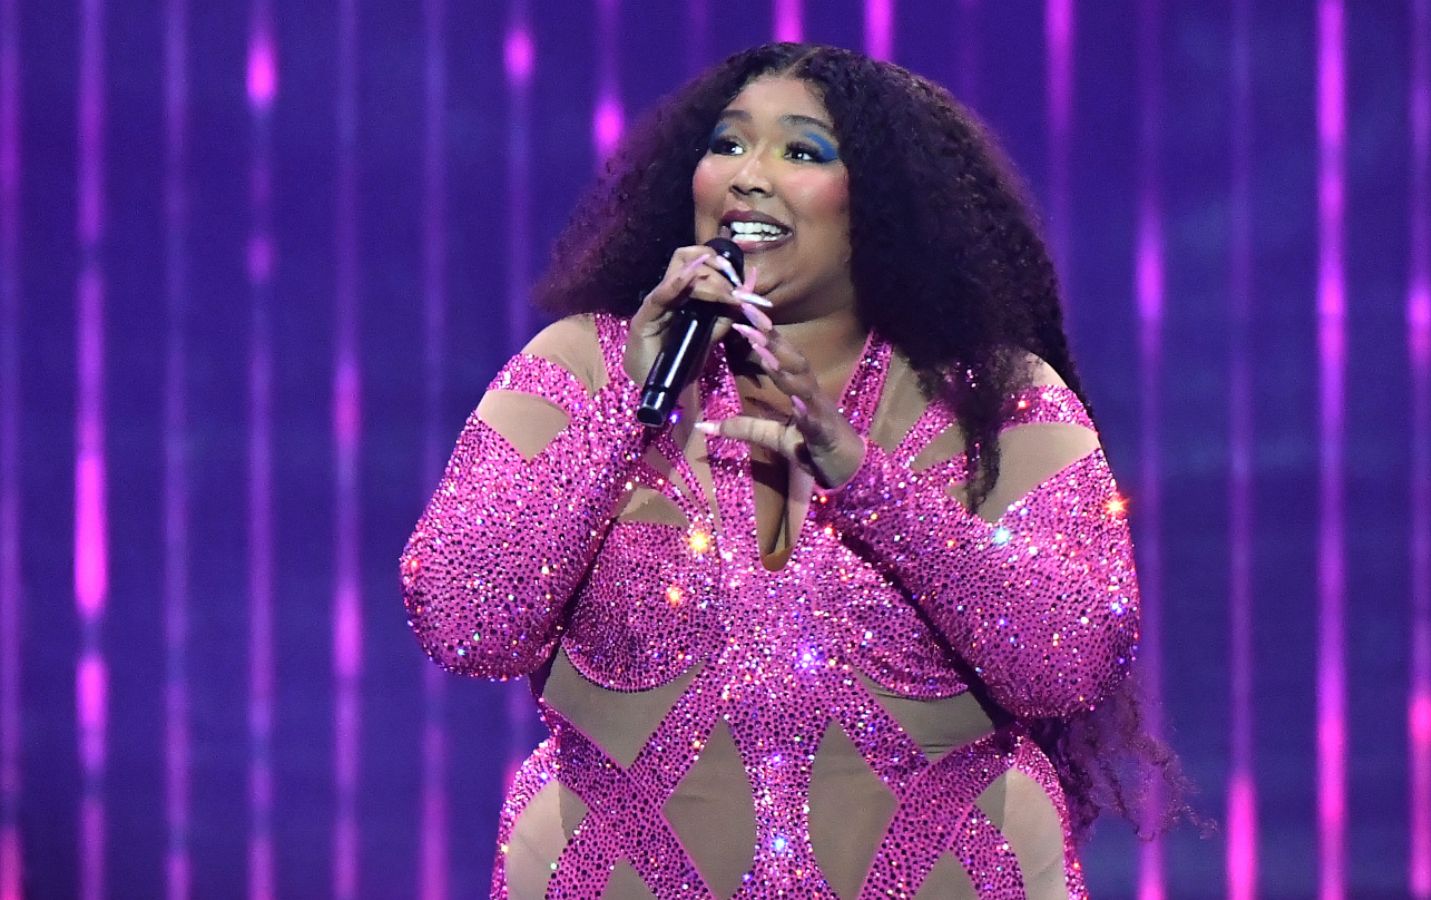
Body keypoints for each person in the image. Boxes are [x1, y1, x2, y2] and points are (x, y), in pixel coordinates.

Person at [401, 42, 1184, 899]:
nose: (747, 176)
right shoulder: (581, 368)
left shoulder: (995, 398)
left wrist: (863, 478)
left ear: (881, 206)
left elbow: (1067, 661)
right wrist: (630, 405)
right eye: (727, 145)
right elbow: (463, 620)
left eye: (802, 152)